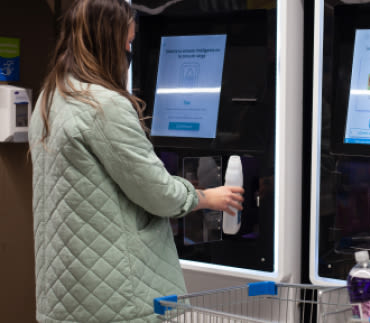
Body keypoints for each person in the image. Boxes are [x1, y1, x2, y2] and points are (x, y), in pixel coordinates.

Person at [28, 0, 244, 322]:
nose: (129, 52)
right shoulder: (103, 106)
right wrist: (205, 197)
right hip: (118, 297)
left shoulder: (49, 99)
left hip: (66, 292)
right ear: (107, 42)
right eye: (127, 43)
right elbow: (158, 194)